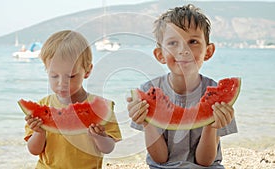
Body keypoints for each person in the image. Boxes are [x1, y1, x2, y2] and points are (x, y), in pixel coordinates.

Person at [127, 4, 237, 169]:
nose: (184, 50)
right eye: (172, 43)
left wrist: (211, 124)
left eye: (193, 41)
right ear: (160, 55)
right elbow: (160, 159)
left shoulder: (217, 95)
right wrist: (147, 122)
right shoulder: (148, 90)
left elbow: (205, 161)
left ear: (208, 51)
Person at [24, 30, 122, 169]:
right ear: (46, 70)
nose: (62, 83)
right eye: (54, 76)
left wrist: (99, 137)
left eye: (71, 76)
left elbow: (108, 148)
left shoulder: (102, 107)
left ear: (87, 71)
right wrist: (39, 132)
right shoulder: (42, 106)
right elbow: (34, 150)